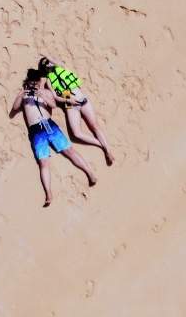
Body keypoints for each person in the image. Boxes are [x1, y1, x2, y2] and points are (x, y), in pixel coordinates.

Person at [9, 68, 96, 206]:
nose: (34, 85)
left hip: (49, 125)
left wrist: (41, 95)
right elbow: (14, 108)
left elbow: (53, 105)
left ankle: (89, 173)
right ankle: (48, 193)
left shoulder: (46, 92)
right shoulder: (23, 94)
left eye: (36, 83)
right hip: (36, 130)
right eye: (32, 83)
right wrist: (21, 96)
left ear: (39, 81)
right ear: (28, 81)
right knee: (43, 162)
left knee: (68, 151)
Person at [37, 54, 114, 166]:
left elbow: (58, 62)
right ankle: (101, 145)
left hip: (82, 99)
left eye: (47, 61)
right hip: (70, 105)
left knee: (94, 126)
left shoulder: (62, 67)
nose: (47, 64)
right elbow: (55, 96)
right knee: (76, 133)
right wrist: (67, 101)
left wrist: (47, 57)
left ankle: (108, 152)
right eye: (44, 64)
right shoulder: (48, 81)